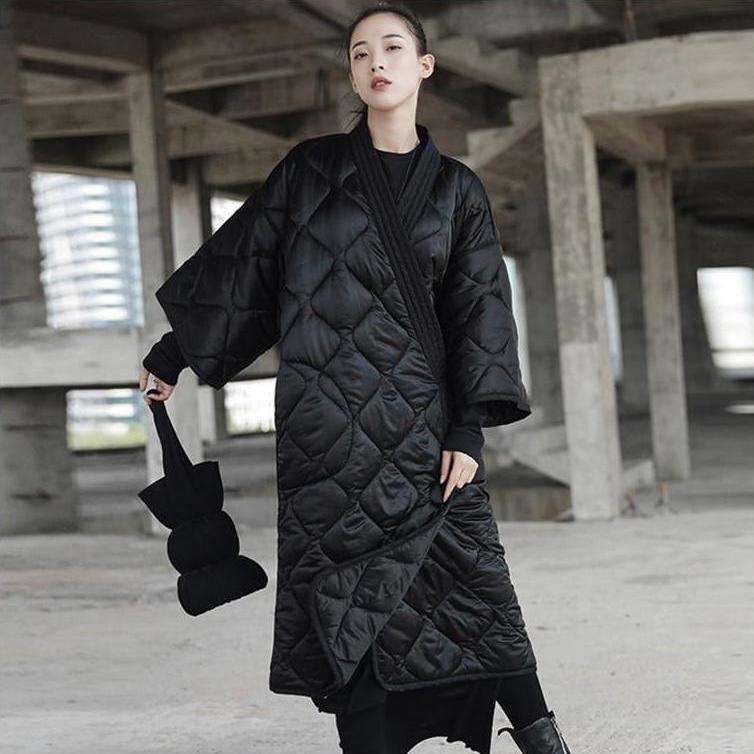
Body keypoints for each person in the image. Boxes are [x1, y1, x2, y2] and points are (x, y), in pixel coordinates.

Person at [139, 3, 573, 753]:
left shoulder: (458, 189)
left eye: (393, 48)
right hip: (327, 435)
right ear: (351, 72)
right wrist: (174, 351)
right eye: (361, 52)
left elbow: (479, 312)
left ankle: (543, 740)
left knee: (477, 588)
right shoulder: (309, 171)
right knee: (348, 607)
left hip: (425, 434)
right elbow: (251, 272)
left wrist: (468, 429)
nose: (377, 62)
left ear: (424, 66)